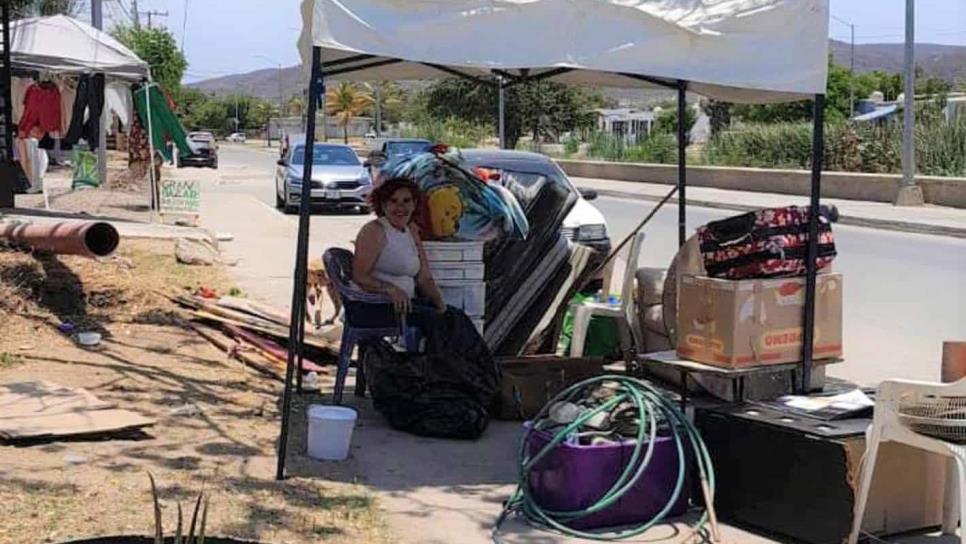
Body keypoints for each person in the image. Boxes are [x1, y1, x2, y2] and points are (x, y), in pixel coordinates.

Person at [352, 177, 446, 319]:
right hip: (377, 306)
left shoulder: (411, 230)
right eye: (393, 201)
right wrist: (390, 290)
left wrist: (441, 306)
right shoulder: (374, 231)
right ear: (383, 205)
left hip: (410, 305)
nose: (400, 208)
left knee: (455, 320)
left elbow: (424, 278)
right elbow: (360, 276)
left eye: (406, 201)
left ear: (414, 204)